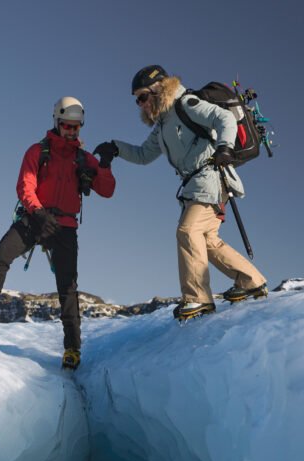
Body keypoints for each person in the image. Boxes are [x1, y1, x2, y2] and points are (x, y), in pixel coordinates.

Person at [94, 65, 266, 321]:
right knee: (207, 240)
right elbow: (143, 155)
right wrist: (115, 148)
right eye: (137, 101)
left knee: (188, 231)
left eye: (142, 97)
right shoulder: (162, 125)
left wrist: (224, 148)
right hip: (193, 185)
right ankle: (251, 281)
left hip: (211, 177)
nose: (140, 104)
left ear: (157, 89)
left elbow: (225, 119)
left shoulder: (187, 104)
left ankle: (198, 298)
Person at [0, 97, 115, 370]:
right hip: (35, 218)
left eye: (76, 127)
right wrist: (39, 213)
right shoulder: (38, 151)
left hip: (65, 226)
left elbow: (108, 189)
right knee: (0, 257)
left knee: (68, 287)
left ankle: (72, 349)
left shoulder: (84, 159)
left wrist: (104, 163)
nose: (71, 131)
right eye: (67, 125)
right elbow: (25, 185)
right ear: (57, 122)